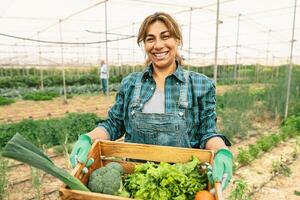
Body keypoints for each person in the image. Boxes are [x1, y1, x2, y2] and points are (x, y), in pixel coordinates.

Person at [70, 12, 233, 190]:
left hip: (183, 184)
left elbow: (207, 132)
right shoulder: (131, 83)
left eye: (165, 37)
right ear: (144, 44)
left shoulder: (200, 84)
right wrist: (88, 138)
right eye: (150, 39)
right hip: (137, 183)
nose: (158, 45)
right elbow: (114, 124)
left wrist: (221, 151)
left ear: (177, 40)